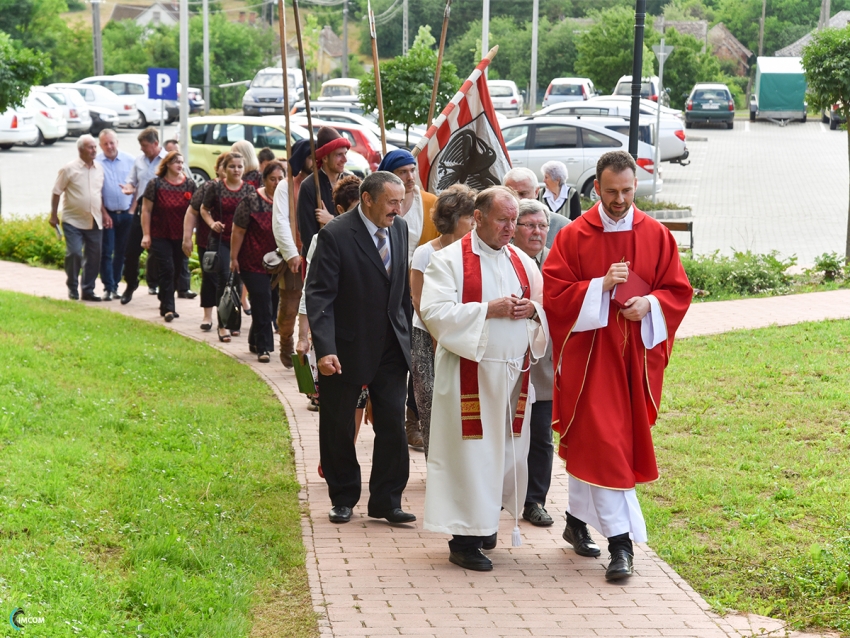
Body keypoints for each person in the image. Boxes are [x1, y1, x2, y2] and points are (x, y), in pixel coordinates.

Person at [542, 150, 692, 581]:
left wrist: (650, 303)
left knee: (602, 444)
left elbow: (677, 291)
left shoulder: (657, 235)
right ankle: (621, 544)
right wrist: (598, 288)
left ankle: (574, 519)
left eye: (628, 191)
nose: (621, 199)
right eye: (612, 192)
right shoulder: (574, 236)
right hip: (591, 362)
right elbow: (554, 294)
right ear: (597, 189)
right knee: (606, 446)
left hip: (636, 359)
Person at [420, 186, 549, 572]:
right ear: (478, 219)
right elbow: (435, 313)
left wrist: (532, 310)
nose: (512, 229)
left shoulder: (523, 262)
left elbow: (542, 307)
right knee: (472, 456)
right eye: (502, 220)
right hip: (469, 376)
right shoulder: (448, 261)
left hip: (510, 376)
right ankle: (464, 540)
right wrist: (486, 310)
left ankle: (486, 524)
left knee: (505, 455)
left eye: (515, 221)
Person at [305, 171, 414, 526]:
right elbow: (320, 295)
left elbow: (399, 291)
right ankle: (343, 496)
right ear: (368, 199)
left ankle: (387, 499)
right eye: (392, 202)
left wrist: (407, 335)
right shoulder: (334, 235)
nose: (398, 209)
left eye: (400, 201)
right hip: (346, 348)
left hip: (391, 347)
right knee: (337, 425)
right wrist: (324, 349)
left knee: (392, 425)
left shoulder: (399, 230)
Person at [377, 148, 441, 450]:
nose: (410, 177)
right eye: (403, 172)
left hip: (423, 287)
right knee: (395, 354)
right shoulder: (381, 205)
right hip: (389, 287)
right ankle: (386, 411)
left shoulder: (431, 203)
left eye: (412, 170)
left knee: (419, 355)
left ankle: (413, 418)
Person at [409, 184, 477, 459]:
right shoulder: (426, 252)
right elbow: (417, 299)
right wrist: (439, 333)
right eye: (469, 216)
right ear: (451, 219)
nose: (474, 222)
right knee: (431, 401)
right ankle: (436, 464)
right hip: (427, 335)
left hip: (462, 334)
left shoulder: (474, 252)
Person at [511, 199, 556, 528]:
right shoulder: (504, 262)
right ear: (514, 229)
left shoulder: (557, 263)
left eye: (542, 226)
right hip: (508, 364)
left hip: (544, 367)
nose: (538, 231)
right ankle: (501, 495)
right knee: (505, 435)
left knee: (541, 435)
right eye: (530, 225)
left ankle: (534, 500)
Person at [231, 161, 285, 362]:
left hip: (278, 264)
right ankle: (264, 348)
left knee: (271, 302)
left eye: (280, 179)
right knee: (262, 302)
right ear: (264, 179)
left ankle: (254, 340)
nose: (277, 183)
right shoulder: (250, 201)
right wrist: (233, 258)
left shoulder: (286, 202)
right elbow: (238, 231)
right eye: (273, 179)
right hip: (252, 262)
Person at [200, 151, 256, 342]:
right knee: (224, 278)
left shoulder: (249, 190)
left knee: (239, 282)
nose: (237, 170)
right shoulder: (216, 188)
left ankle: (234, 321)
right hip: (222, 240)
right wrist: (211, 223)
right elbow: (203, 209)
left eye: (240, 166)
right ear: (224, 168)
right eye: (232, 166)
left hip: (243, 242)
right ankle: (222, 325)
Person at [50, 134, 110, 301]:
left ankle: (88, 290)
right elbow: (56, 192)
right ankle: (72, 287)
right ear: (81, 150)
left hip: (94, 220)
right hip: (73, 221)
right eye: (90, 147)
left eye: (94, 147)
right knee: (75, 253)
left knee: (94, 257)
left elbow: (99, 195)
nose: (94, 150)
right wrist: (53, 215)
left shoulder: (99, 168)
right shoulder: (69, 169)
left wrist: (104, 214)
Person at [140, 151, 196, 322]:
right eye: (176, 162)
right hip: (160, 234)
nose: (180, 165)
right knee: (167, 269)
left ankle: (164, 302)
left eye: (181, 161)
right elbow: (146, 210)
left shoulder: (190, 185)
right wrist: (146, 234)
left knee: (177, 271)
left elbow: (195, 211)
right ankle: (169, 309)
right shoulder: (155, 184)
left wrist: (192, 233)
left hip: (181, 235)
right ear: (167, 164)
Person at [120, 127, 166, 303]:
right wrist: (129, 188)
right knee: (131, 251)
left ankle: (164, 292)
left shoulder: (168, 160)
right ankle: (131, 284)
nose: (142, 149)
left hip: (161, 211)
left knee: (161, 254)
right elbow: (131, 181)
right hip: (141, 209)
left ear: (155, 144)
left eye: (145, 145)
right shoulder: (139, 160)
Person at [272, 141, 307, 368]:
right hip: (295, 257)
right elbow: (281, 222)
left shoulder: (327, 183)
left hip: (320, 257)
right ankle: (286, 340)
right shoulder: (285, 186)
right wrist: (291, 253)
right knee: (290, 310)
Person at [183, 157, 226, 331]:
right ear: (218, 169)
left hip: (232, 242)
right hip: (207, 240)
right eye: (226, 166)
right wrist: (187, 238)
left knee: (230, 280)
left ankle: (229, 317)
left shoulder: (242, 188)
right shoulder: (208, 187)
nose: (231, 170)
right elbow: (192, 212)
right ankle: (207, 316)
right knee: (210, 278)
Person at [297, 127, 350, 260]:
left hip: (347, 257)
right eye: (339, 154)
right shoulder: (309, 186)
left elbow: (358, 226)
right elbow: (307, 234)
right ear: (325, 158)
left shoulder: (351, 183)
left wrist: (332, 220)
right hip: (319, 259)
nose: (345, 159)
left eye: (345, 153)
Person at [96, 129, 135, 301]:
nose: (109, 146)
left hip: (127, 214)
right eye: (105, 143)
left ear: (117, 142)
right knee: (106, 251)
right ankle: (108, 287)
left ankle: (116, 286)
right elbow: (95, 191)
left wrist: (133, 209)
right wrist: (104, 213)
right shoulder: (96, 163)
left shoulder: (130, 160)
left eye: (112, 142)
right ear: (100, 145)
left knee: (121, 252)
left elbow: (138, 186)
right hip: (108, 214)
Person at [502, 167, 568, 248]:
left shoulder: (561, 226)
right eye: (512, 194)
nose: (517, 200)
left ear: (536, 192)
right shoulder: (494, 224)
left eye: (523, 194)